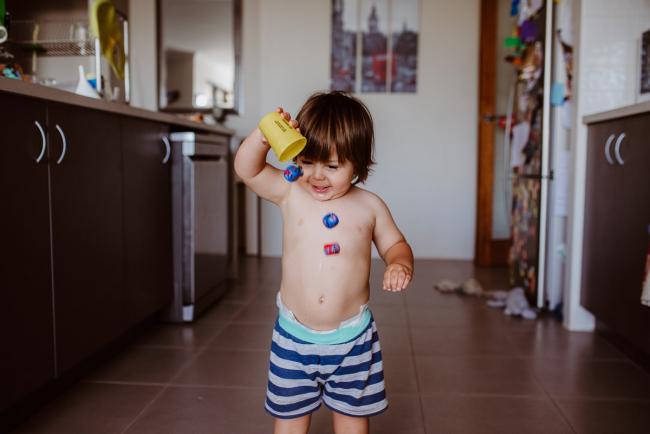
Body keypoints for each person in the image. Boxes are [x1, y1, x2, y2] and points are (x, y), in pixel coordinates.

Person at [234, 91, 414, 434]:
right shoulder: (290, 192)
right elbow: (247, 170)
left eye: (332, 166)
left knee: (352, 421)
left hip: (352, 340)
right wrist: (262, 136)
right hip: (293, 337)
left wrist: (399, 263)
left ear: (358, 165)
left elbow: (396, 244)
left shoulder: (370, 206)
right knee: (289, 420)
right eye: (306, 162)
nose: (317, 176)